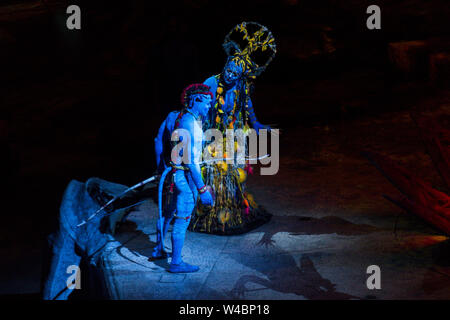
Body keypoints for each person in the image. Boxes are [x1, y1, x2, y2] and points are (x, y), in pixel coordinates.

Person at [152, 83, 214, 273]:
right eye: (207, 103)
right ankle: (176, 263)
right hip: (184, 177)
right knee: (182, 219)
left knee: (167, 212)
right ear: (196, 100)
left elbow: (158, 141)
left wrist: (160, 167)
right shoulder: (191, 124)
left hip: (171, 173)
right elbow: (191, 162)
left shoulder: (174, 116)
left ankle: (158, 249)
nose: (209, 106)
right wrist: (203, 189)